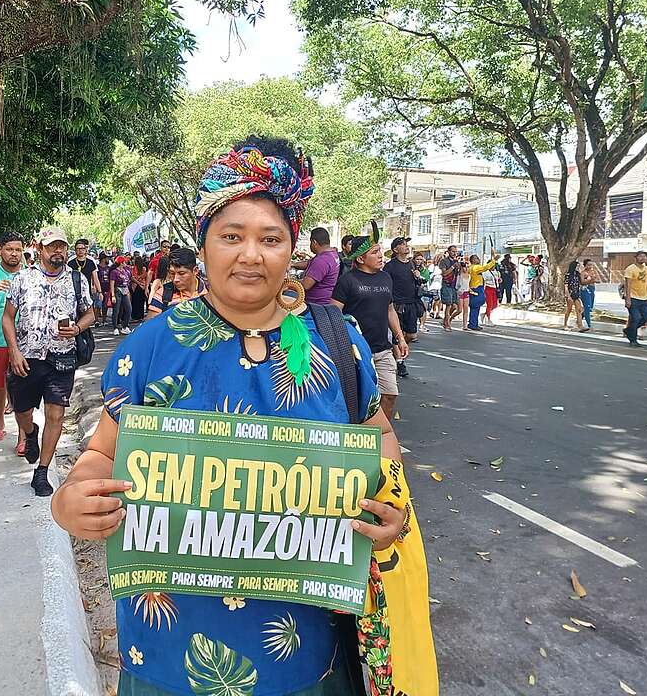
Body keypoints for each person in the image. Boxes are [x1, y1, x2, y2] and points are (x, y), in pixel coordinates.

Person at [54, 137, 425, 696]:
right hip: (166, 655)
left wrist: (392, 510)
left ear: (292, 249)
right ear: (203, 247)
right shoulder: (153, 344)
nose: (251, 255)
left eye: (270, 239)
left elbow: (380, 438)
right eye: (231, 236)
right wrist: (71, 500)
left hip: (303, 657)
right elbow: (103, 452)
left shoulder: (337, 342)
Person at [2, 225, 94, 497]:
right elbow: (7, 318)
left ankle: (41, 472)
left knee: (56, 413)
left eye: (62, 246)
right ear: (40, 249)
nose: (58, 251)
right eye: (52, 246)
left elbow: (90, 314)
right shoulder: (23, 279)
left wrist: (77, 328)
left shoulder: (77, 280)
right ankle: (30, 433)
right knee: (22, 410)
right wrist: (14, 351)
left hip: (62, 357)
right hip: (27, 357)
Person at [333, 222, 410, 419]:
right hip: (356, 352)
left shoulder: (385, 278)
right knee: (360, 399)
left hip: (382, 349)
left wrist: (400, 337)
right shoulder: (347, 281)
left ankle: (380, 437)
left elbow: (390, 309)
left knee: (390, 394)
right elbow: (333, 314)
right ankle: (359, 437)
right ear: (360, 258)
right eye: (375, 252)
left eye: (380, 251)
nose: (380, 256)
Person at [0, 232, 24, 448]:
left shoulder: (30, 275)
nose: (14, 254)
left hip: (25, 342)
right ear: (0, 249)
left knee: (22, 386)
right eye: (9, 249)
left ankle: (23, 434)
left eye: (18, 250)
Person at [383, 236, 420, 377]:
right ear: (395, 249)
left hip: (411, 303)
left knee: (411, 334)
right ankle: (400, 362)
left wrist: (417, 277)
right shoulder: (390, 266)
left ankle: (401, 352)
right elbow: (385, 283)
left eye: (406, 244)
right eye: (403, 245)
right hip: (396, 304)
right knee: (396, 335)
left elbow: (417, 283)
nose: (406, 247)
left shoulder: (411, 264)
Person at [146, 247, 206, 318]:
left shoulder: (210, 291)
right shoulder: (162, 294)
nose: (175, 279)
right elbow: (151, 326)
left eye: (181, 273)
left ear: (195, 271)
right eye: (172, 273)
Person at [293, 227, 340, 304]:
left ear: (314, 242)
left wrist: (288, 282)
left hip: (316, 305)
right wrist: (292, 264)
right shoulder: (332, 254)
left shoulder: (322, 260)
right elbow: (309, 263)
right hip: (325, 299)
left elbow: (305, 285)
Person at [623, 250, 647, 347]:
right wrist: (628, 298)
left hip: (644, 298)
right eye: (640, 256)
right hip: (633, 297)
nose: (642, 258)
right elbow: (627, 284)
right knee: (635, 318)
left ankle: (629, 330)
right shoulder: (630, 269)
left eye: (644, 256)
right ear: (636, 257)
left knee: (646, 317)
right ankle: (633, 339)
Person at [466, 253, 497, 331]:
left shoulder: (471, 268)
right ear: (473, 260)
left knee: (475, 307)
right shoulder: (475, 267)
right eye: (476, 258)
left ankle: (473, 323)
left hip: (474, 288)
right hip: (476, 288)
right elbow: (485, 267)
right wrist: (494, 260)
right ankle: (473, 324)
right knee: (475, 306)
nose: (478, 259)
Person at [69, 238, 102, 312]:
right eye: (78, 249)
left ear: (85, 250)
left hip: (87, 293)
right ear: (75, 250)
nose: (80, 250)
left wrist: (99, 292)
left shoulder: (90, 262)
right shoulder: (70, 263)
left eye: (82, 248)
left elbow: (95, 278)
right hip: (73, 292)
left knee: (88, 313)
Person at [438, 244, 461, 331]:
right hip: (446, 285)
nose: (455, 253)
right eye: (453, 251)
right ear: (448, 252)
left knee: (455, 306)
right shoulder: (444, 261)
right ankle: (447, 324)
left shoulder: (456, 261)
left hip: (454, 286)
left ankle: (445, 321)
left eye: (456, 252)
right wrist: (453, 267)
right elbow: (444, 273)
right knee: (448, 305)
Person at [110, 255, 133, 334]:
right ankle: (115, 327)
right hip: (117, 290)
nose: (125, 263)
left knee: (129, 309)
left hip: (125, 290)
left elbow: (128, 281)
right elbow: (112, 284)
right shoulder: (114, 272)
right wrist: (113, 295)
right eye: (124, 262)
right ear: (121, 263)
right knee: (116, 310)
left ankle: (125, 326)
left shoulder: (125, 271)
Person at [562, 260, 586, 332]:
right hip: (570, 293)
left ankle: (580, 326)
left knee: (579, 310)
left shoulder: (578, 274)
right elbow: (566, 286)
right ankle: (565, 325)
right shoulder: (568, 275)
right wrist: (568, 296)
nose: (578, 267)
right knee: (569, 310)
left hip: (576, 293)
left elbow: (581, 282)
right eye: (577, 266)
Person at [579, 258, 598, 331]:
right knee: (587, 307)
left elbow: (597, 280)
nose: (590, 266)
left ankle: (580, 318)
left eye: (591, 265)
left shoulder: (593, 272)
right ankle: (589, 325)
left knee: (590, 307)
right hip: (585, 290)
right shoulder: (583, 273)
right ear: (585, 265)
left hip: (592, 290)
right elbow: (582, 282)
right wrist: (589, 280)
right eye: (588, 265)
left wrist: (594, 280)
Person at [130, 254, 149, 321]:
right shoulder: (144, 269)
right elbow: (146, 277)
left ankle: (135, 317)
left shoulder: (132, 269)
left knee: (135, 302)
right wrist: (144, 285)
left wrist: (138, 283)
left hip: (135, 287)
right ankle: (141, 316)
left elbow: (132, 278)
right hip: (142, 287)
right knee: (141, 302)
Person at [96, 253, 112, 327]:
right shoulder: (97, 267)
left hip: (107, 288)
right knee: (98, 305)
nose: (108, 259)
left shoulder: (109, 268)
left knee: (105, 305)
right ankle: (96, 321)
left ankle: (104, 320)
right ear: (103, 259)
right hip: (99, 288)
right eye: (107, 258)